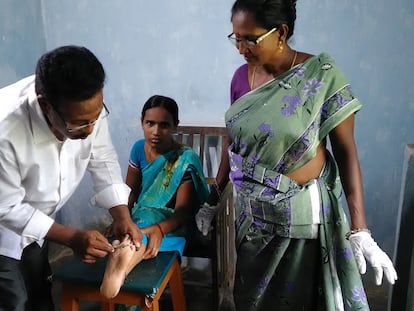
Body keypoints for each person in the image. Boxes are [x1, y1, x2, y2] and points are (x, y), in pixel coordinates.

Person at [195, 0, 398, 310]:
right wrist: (213, 197)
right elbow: (233, 145)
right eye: (235, 37)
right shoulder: (240, 79)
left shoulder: (321, 77)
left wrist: (360, 228)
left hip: (304, 226)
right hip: (253, 223)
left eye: (250, 38)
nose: (241, 48)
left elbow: (345, 151)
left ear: (281, 32)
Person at [0, 45, 141, 311]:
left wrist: (122, 215)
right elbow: (6, 206)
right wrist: (71, 237)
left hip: (37, 222)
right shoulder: (5, 128)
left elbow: (102, 158)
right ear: (45, 106)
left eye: (95, 118)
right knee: (13, 300)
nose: (90, 129)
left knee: (40, 292)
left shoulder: (85, 105)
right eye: (79, 124)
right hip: (1, 225)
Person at [99, 95, 209, 302]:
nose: (156, 131)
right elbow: (129, 192)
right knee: (139, 225)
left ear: (176, 126)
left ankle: (124, 258)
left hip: (172, 224)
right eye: (150, 123)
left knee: (142, 230)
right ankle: (124, 259)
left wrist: (158, 229)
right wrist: (120, 218)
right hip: (140, 216)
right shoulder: (138, 148)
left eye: (164, 125)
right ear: (142, 123)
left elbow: (183, 212)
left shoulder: (184, 158)